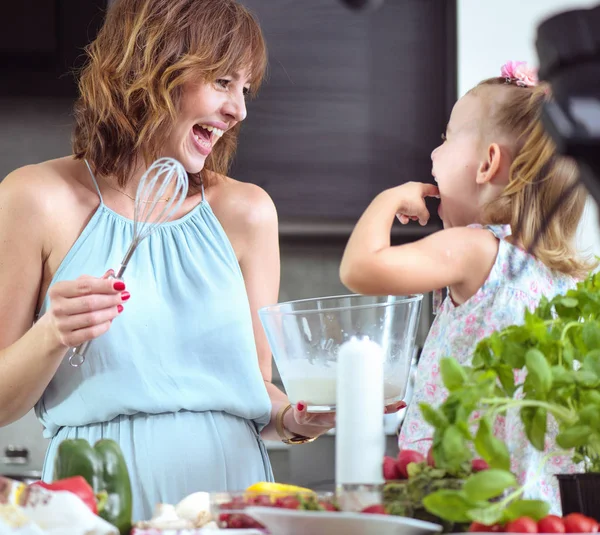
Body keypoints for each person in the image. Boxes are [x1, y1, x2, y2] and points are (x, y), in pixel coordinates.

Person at [0, 0, 380, 521]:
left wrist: (293, 418)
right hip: (97, 500)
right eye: (222, 82)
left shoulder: (247, 213)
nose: (239, 110)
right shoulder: (35, 197)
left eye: (245, 89)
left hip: (225, 500)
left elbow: (256, 390)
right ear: (152, 68)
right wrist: (53, 332)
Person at [340, 61, 596, 512]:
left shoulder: (476, 249)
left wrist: (388, 199)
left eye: (446, 137)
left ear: (487, 163)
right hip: (533, 508)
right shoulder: (560, 279)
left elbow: (360, 269)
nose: (434, 154)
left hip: (461, 503)